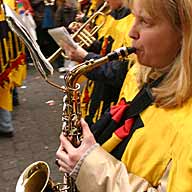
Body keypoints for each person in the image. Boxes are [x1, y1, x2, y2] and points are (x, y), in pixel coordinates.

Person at [56, 0, 192, 191]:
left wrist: (91, 166)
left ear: (184, 32)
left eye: (145, 21)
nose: (132, 32)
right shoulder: (145, 72)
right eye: (134, 17)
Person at [62, 0, 134, 127]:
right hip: (96, 90)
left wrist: (85, 57)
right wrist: (85, 39)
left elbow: (121, 72)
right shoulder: (110, 16)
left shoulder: (133, 23)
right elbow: (104, 50)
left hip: (112, 100)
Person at [0, 0, 27, 137]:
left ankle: (6, 125)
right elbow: (20, 13)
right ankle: (14, 97)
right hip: (11, 37)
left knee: (4, 80)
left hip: (7, 38)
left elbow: (21, 11)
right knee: (8, 76)